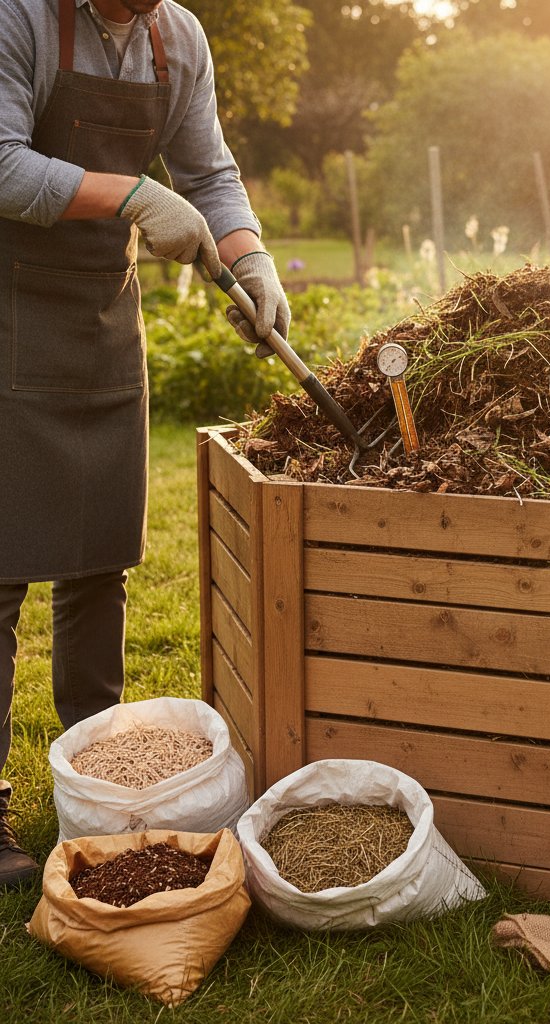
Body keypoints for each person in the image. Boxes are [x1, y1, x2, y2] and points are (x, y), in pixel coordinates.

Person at [0, 0, 290, 885]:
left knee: (98, 566)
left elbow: (209, 172)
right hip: (9, 311)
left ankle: (96, 784)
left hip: (101, 320)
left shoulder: (178, 38)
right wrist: (131, 192)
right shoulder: (19, 17)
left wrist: (249, 261)